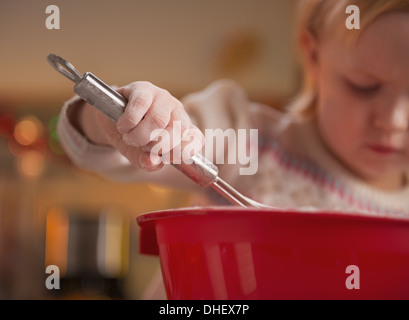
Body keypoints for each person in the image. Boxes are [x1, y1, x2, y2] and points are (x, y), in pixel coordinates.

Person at [58, 0, 409, 217]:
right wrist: (117, 116)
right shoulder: (247, 142)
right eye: (365, 87)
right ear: (313, 56)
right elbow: (103, 148)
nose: (393, 121)